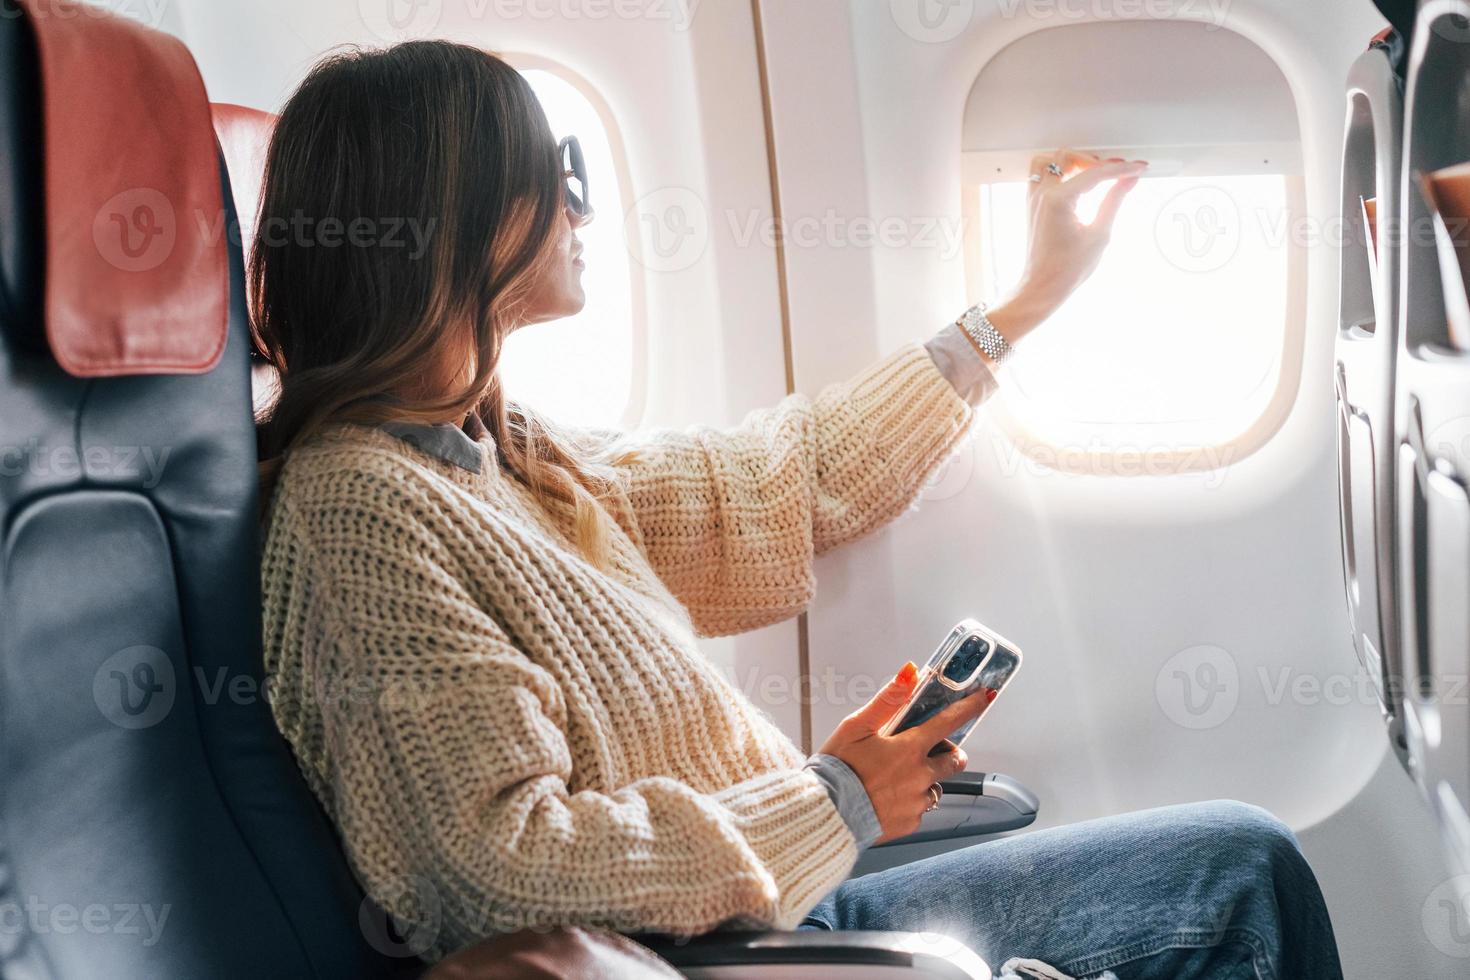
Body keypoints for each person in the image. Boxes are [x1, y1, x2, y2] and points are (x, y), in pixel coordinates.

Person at [253, 40, 1344, 979]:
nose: (582, 204)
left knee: (1242, 861)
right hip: (734, 951)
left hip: (780, 908)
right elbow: (495, 878)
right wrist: (837, 797)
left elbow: (778, 480)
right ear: (450, 220)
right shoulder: (360, 513)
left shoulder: (502, 453)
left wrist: (1021, 305)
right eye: (553, 172)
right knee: (1241, 877)